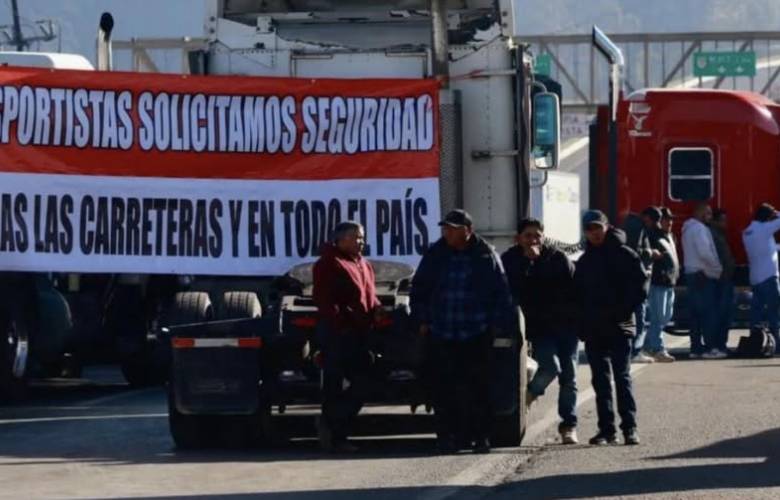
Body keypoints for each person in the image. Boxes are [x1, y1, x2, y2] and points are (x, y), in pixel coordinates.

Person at [410, 209, 514, 454]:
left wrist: (497, 326)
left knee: (478, 387)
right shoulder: (436, 254)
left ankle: (480, 437)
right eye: (445, 228)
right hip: (442, 332)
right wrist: (422, 319)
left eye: (452, 228)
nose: (447, 233)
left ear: (467, 230)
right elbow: (420, 289)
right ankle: (448, 438)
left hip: (475, 332)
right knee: (444, 388)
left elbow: (501, 292)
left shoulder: (485, 254)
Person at [501, 218, 579, 445]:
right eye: (528, 235)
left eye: (537, 235)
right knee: (549, 367)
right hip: (539, 328)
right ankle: (531, 393)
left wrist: (539, 263)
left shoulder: (556, 258)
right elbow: (514, 289)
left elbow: (565, 285)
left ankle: (569, 426)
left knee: (569, 377)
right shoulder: (511, 259)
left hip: (566, 326)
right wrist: (528, 265)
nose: (533, 240)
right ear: (519, 238)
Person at [575, 210, 648, 446]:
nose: (594, 233)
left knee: (622, 376)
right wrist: (582, 326)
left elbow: (640, 289)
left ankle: (630, 428)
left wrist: (622, 311)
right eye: (589, 229)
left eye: (598, 227)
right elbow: (579, 297)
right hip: (595, 326)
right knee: (600, 380)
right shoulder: (585, 260)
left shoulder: (626, 254)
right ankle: (606, 430)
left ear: (607, 227)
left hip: (622, 322)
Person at [313, 221, 383, 453]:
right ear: (340, 239)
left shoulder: (364, 264)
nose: (360, 242)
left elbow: (369, 296)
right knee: (334, 385)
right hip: (338, 335)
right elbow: (325, 302)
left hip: (362, 334)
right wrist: (341, 326)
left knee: (366, 380)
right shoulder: (329, 263)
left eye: (362, 237)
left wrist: (377, 309)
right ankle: (335, 436)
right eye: (356, 237)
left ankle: (332, 423)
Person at [681, 203, 723, 359]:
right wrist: (717, 268)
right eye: (708, 213)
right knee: (708, 314)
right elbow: (705, 252)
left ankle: (695, 348)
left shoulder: (687, 229)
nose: (710, 216)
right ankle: (710, 348)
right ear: (699, 213)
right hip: (703, 275)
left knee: (695, 315)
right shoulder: (699, 229)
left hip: (691, 274)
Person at [643, 207, 679, 362]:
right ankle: (657, 348)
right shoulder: (652, 236)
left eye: (671, 219)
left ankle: (647, 344)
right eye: (666, 219)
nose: (670, 222)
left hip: (670, 282)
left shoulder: (669, 236)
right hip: (658, 281)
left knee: (665, 317)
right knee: (658, 317)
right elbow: (647, 254)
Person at [742, 203, 780, 350]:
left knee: (756, 313)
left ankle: (755, 342)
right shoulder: (765, 229)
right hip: (769, 277)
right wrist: (777, 212)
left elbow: (765, 248)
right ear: (768, 217)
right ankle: (777, 344)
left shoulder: (747, 232)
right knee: (774, 312)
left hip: (756, 278)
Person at [631, 207, 663, 363]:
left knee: (638, 317)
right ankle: (635, 352)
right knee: (639, 317)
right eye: (653, 221)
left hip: (636, 281)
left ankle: (634, 351)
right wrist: (651, 253)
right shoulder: (637, 228)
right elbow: (635, 251)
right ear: (646, 217)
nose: (654, 225)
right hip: (637, 282)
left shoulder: (636, 226)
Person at [711, 209, 736, 354]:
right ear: (715, 221)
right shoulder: (713, 235)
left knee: (725, 314)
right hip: (721, 280)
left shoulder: (719, 235)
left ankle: (721, 345)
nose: (725, 224)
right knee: (721, 314)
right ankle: (718, 344)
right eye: (722, 220)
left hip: (726, 279)